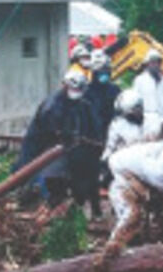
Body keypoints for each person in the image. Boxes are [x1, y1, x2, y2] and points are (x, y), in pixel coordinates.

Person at [19, 72, 104, 215]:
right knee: (38, 175)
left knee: (85, 175)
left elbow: (92, 126)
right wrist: (68, 138)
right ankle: (33, 202)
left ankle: (82, 209)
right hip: (45, 145)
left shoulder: (82, 103)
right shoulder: (52, 107)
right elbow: (51, 133)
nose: (76, 93)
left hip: (70, 147)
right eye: (74, 89)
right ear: (64, 86)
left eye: (79, 90)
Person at [104, 141, 163, 252]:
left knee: (152, 199)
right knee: (132, 214)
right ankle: (113, 247)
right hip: (121, 171)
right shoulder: (158, 173)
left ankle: (149, 234)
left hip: (132, 165)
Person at [102, 89, 163, 163]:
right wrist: (104, 159)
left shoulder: (156, 119)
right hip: (130, 164)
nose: (126, 116)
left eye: (131, 112)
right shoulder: (117, 125)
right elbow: (110, 147)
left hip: (154, 161)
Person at [131, 49, 163, 132]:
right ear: (147, 64)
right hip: (148, 123)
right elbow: (135, 101)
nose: (156, 65)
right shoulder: (140, 80)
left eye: (158, 62)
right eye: (153, 62)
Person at [85, 49, 120, 134]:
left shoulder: (115, 90)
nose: (105, 72)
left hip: (112, 132)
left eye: (106, 69)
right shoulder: (86, 92)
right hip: (91, 135)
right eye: (101, 69)